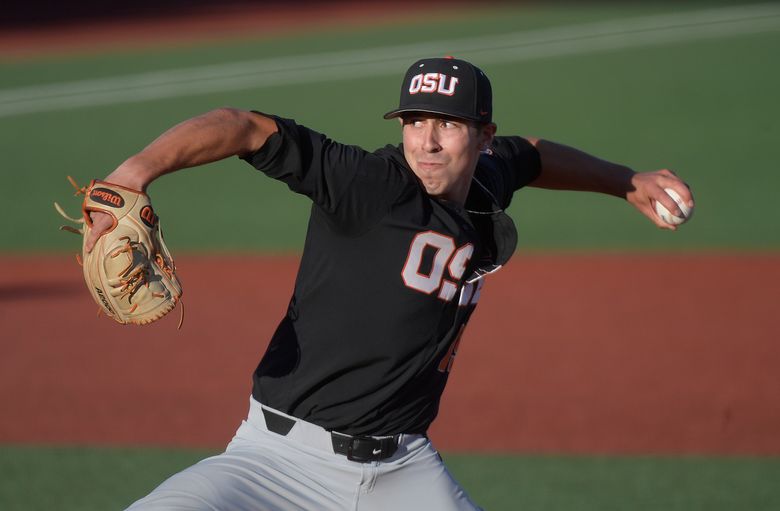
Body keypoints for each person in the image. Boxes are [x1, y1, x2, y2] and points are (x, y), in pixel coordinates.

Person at [87, 57, 693, 510]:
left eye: (448, 125)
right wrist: (132, 174)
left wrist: (625, 181)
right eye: (415, 121)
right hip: (273, 463)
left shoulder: (485, 180)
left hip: (404, 472)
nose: (426, 142)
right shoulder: (369, 184)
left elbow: (530, 156)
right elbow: (243, 126)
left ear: (482, 138)